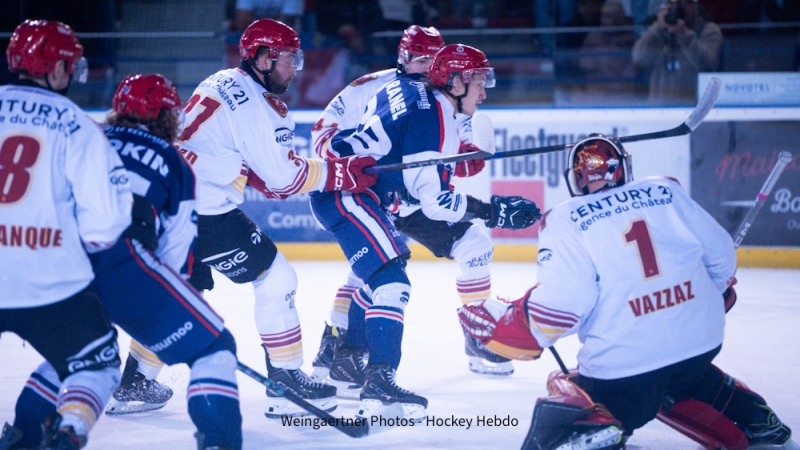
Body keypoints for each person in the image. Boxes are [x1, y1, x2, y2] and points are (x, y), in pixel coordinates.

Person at [458, 135, 796, 449]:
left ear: (576, 178)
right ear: (623, 168)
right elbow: (722, 258)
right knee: (684, 377)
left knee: (567, 382)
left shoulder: (565, 218)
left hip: (626, 368)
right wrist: (711, 296)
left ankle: (591, 427)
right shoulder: (667, 190)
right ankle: (755, 417)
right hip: (702, 344)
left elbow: (560, 310)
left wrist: (512, 324)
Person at [5, 74, 245, 450]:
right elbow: (175, 256)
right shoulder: (173, 161)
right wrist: (161, 304)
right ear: (165, 115)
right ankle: (219, 443)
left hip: (54, 260)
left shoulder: (85, 134)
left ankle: (24, 434)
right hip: (122, 261)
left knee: (76, 354)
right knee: (215, 349)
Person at [308, 43, 542, 420]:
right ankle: (374, 376)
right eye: (480, 82)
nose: (485, 92)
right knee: (390, 281)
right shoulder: (436, 117)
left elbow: (409, 158)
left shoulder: (411, 90)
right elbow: (434, 201)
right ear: (455, 80)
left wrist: (447, 165)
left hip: (364, 191)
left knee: (383, 272)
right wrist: (493, 209)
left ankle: (346, 358)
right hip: (350, 193)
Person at [176, 18, 378, 419]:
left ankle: (134, 380)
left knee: (179, 292)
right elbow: (286, 180)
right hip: (206, 210)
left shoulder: (219, 79)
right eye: (288, 59)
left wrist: (250, 173)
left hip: (175, 204)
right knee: (277, 278)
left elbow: (211, 143)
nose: (295, 68)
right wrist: (342, 173)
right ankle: (285, 379)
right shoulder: (259, 105)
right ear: (264, 58)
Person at [0, 19, 130, 449]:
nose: (72, 75)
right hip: (52, 284)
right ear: (54, 69)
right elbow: (107, 221)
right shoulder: (77, 125)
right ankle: (70, 430)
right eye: (70, 66)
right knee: (97, 365)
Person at [632, 0, 723, 105]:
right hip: (659, 110)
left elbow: (707, 64)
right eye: (675, 3)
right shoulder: (659, 31)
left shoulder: (708, 30)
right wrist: (657, 28)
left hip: (694, 108)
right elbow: (638, 58)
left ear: (698, 6)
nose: (681, 8)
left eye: (687, 3)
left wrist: (683, 33)